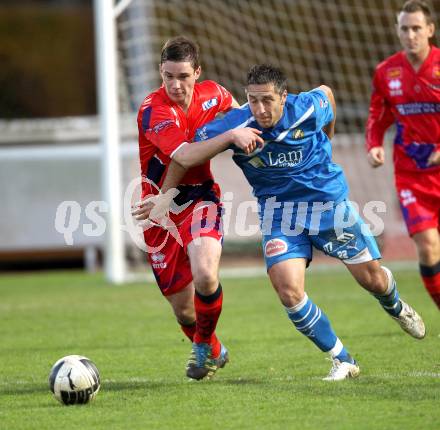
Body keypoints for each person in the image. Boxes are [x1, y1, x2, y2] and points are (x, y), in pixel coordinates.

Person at [150, 64, 426, 381]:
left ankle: (395, 306)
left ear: (284, 96)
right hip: (280, 215)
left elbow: (328, 94)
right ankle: (343, 359)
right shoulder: (237, 125)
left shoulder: (307, 107)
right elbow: (184, 155)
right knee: (288, 290)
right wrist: (166, 195)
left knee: (373, 280)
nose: (260, 108)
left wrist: (327, 136)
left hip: (328, 207)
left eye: (267, 99)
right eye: (253, 100)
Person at [132, 36, 262, 381]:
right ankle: (214, 348)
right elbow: (186, 155)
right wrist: (231, 136)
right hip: (158, 211)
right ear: (161, 73)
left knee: (206, 274)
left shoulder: (215, 94)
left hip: (201, 198)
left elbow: (241, 115)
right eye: (168, 76)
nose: (175, 85)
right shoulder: (153, 109)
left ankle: (201, 349)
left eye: (183, 76)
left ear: (197, 73)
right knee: (183, 309)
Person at [366, 0, 440, 309]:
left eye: (416, 28)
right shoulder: (386, 71)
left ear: (430, 30)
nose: (410, 35)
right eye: (405, 29)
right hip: (411, 174)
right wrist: (374, 143)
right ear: (397, 31)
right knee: (428, 247)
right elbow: (377, 115)